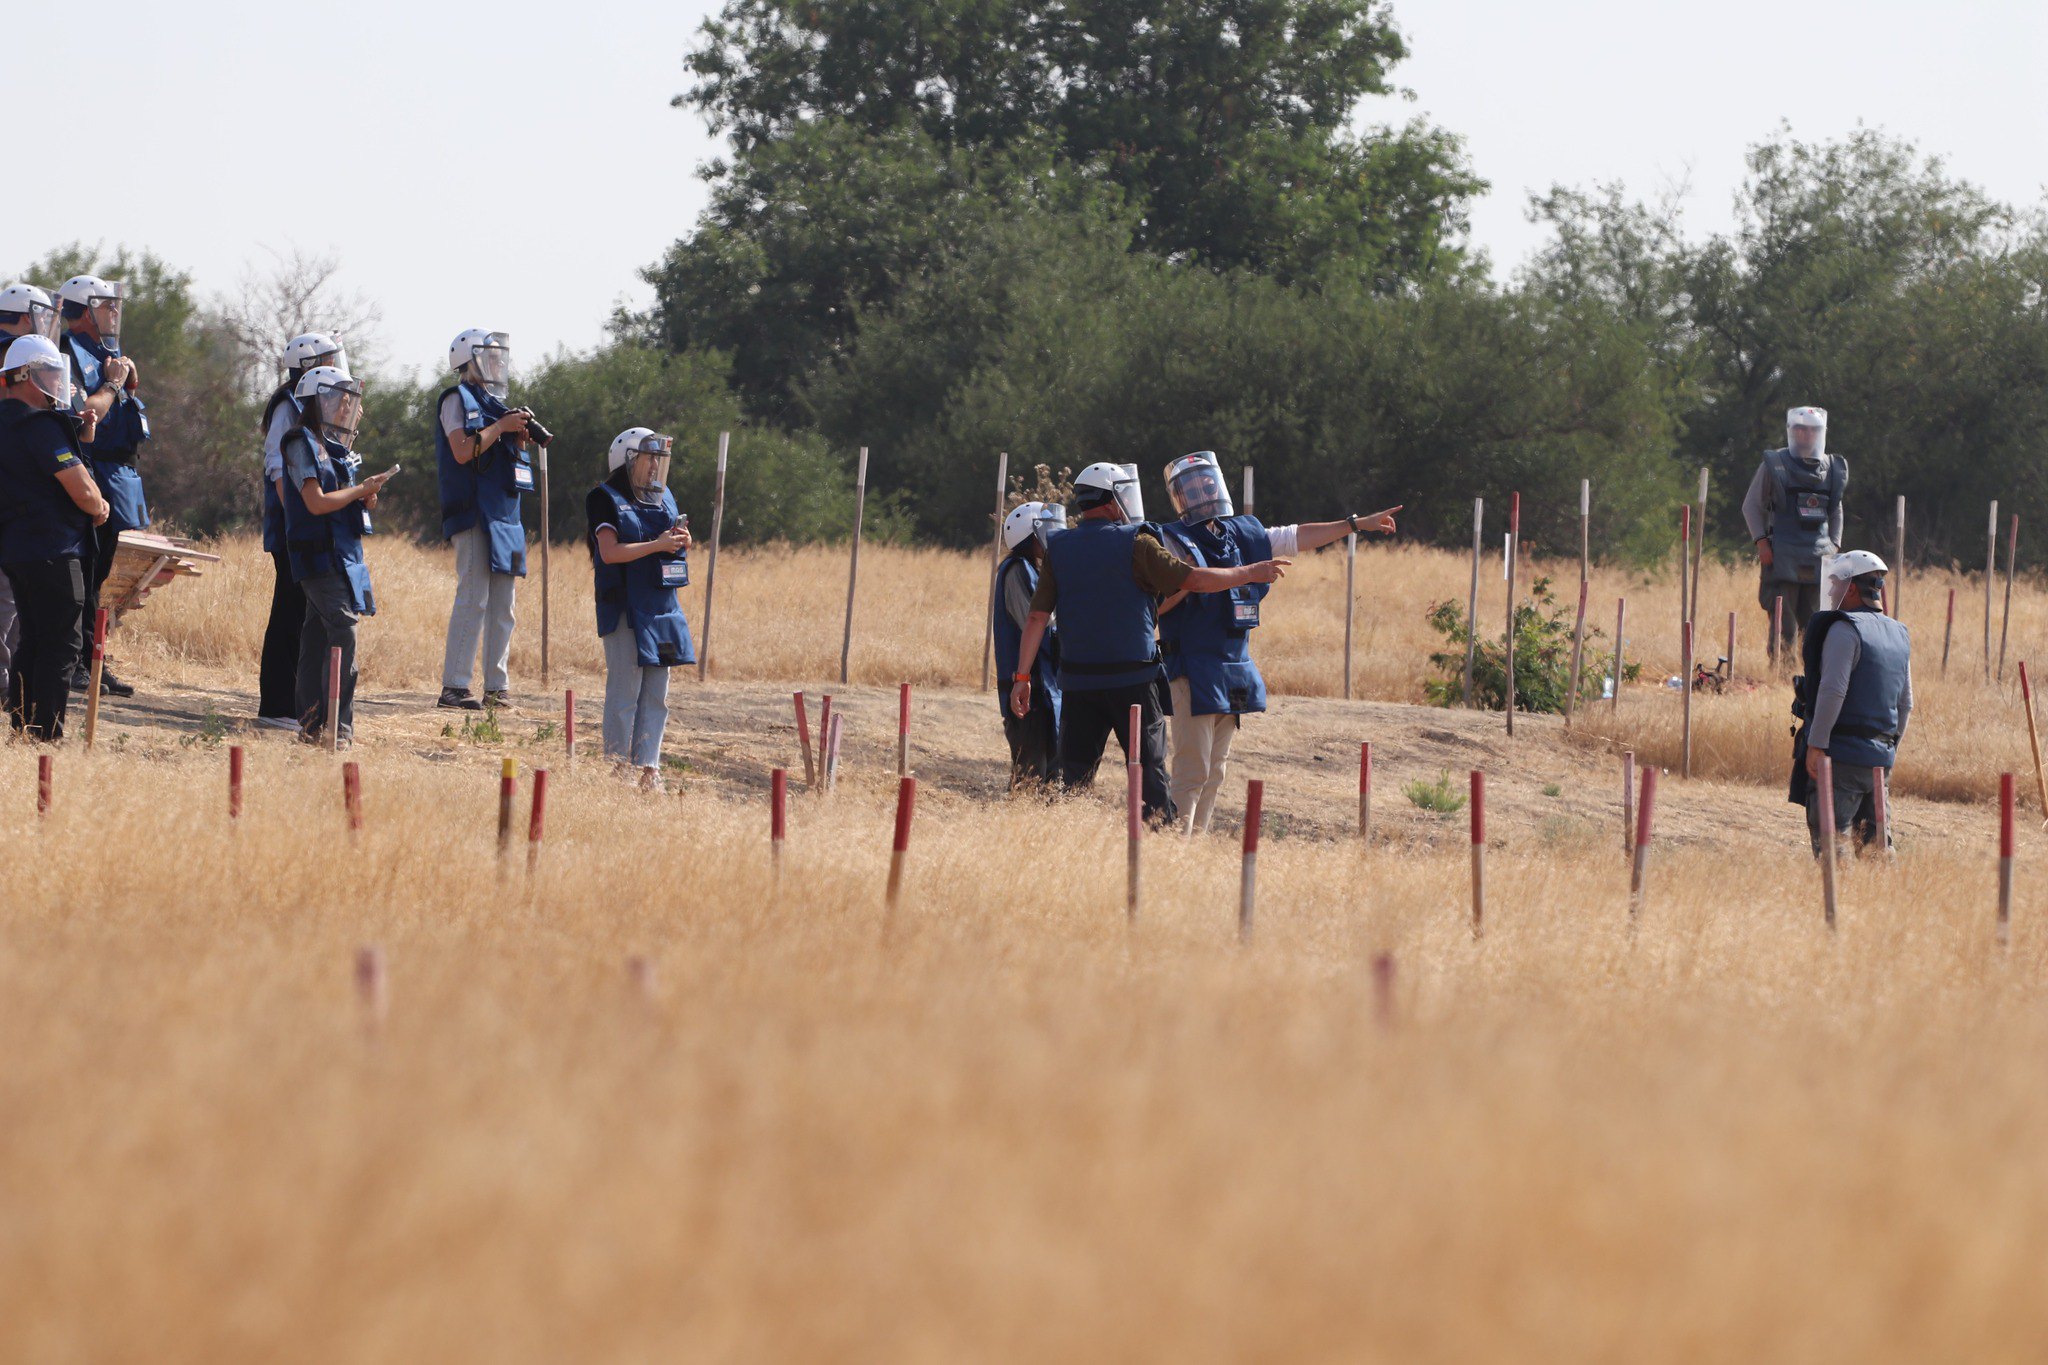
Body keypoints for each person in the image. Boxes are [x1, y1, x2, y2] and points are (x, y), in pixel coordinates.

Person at [1010, 462, 1287, 825]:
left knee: (1075, 779)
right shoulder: (1137, 543)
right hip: (1133, 682)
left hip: (1077, 682)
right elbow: (1195, 580)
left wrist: (1022, 678)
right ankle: (1157, 846)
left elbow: (1036, 618)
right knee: (1150, 779)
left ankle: (1070, 840)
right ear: (1113, 499)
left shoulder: (1059, 548)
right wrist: (1249, 572)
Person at [1155, 451, 1400, 833]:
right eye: (1192, 487)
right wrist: (1207, 578)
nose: (1203, 491)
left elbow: (1297, 536)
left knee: (1216, 772)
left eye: (1207, 482)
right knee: (1192, 770)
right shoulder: (1171, 540)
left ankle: (1194, 849)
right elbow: (1157, 605)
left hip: (1232, 669)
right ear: (1179, 497)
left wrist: (1355, 524)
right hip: (1192, 670)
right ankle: (1174, 851)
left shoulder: (1241, 534)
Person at [0, 336, 108, 740]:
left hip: (18, 549)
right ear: (26, 376)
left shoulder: (7, 422)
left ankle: (23, 727)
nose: (58, 382)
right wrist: (98, 505)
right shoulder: (39, 425)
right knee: (61, 645)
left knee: (31, 639)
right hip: (55, 548)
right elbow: (82, 491)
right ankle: (45, 733)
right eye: (49, 373)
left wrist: (83, 440)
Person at [280, 366, 393, 747]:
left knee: (316, 636)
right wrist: (359, 490)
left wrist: (364, 497)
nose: (346, 408)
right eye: (338, 399)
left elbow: (340, 500)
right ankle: (338, 727)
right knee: (343, 628)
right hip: (317, 557)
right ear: (317, 401)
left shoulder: (333, 448)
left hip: (341, 556)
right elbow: (316, 502)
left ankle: (311, 725)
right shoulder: (300, 442)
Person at [435, 327, 537, 712]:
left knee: (503, 605)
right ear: (471, 360)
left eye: (499, 356)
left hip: (506, 515)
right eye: (489, 356)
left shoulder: (497, 405)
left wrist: (517, 437)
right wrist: (501, 428)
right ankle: (454, 687)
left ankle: (497, 688)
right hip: (474, 511)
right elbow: (462, 451)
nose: (498, 362)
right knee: (473, 598)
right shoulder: (455, 399)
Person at [587, 427, 694, 790]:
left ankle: (649, 769)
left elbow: (668, 546)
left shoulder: (666, 497)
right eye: (649, 459)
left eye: (658, 460)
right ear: (628, 459)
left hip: (662, 608)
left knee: (656, 692)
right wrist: (657, 545)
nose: (654, 467)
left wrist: (682, 542)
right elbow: (609, 553)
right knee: (625, 691)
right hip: (624, 607)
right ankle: (619, 771)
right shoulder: (603, 498)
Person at [56, 274, 147, 698]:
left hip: (117, 475)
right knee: (83, 575)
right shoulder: (65, 352)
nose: (114, 312)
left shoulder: (108, 354)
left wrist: (127, 383)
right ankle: (75, 663)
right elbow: (84, 412)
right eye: (105, 305)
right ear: (83, 310)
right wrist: (112, 384)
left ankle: (94, 661)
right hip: (89, 471)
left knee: (98, 576)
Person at [1789, 550, 1910, 857]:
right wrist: (1889, 748)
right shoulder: (1899, 633)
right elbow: (1905, 703)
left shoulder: (1844, 630)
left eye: (1836, 584)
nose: (1831, 591)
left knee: (1833, 844)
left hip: (1840, 758)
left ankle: (1840, 891)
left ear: (1852, 588)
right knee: (1877, 851)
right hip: (1880, 759)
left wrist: (1816, 744)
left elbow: (1833, 691)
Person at [257, 332, 349, 730]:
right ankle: (277, 706)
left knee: (305, 617)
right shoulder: (287, 407)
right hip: (293, 530)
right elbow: (279, 470)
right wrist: (300, 519)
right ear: (309, 367)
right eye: (327, 361)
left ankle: (297, 706)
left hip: (310, 527)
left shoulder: (315, 408)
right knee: (289, 613)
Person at [1744, 405, 1846, 650]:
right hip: (1782, 555)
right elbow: (1751, 506)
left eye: (1813, 430)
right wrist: (1762, 543)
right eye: (1801, 429)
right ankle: (1782, 668)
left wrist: (1834, 545)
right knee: (1784, 621)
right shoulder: (1775, 464)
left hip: (1819, 558)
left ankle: (1809, 668)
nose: (1807, 434)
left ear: (1821, 432)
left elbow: (1835, 510)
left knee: (1814, 622)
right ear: (1791, 431)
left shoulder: (1832, 468)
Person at [0, 284, 58, 705]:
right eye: (42, 314)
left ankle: (13, 686)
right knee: (7, 601)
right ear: (25, 315)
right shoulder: (12, 358)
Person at [991, 500, 1065, 789]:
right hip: (1026, 686)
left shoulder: (1034, 570)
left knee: (1051, 772)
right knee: (1030, 773)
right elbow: (1034, 620)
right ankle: (1020, 815)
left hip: (1044, 684)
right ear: (1029, 535)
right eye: (1044, 531)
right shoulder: (1017, 569)